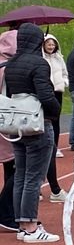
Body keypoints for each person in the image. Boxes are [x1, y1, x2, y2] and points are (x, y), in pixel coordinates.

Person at [5, 23, 62, 243]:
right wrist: (54, 113)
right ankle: (31, 227)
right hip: (38, 123)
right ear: (38, 41)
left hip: (17, 125)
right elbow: (46, 96)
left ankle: (22, 225)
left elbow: (10, 93)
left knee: (20, 175)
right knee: (33, 178)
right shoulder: (39, 63)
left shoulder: (12, 63)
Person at [41, 33, 67, 202]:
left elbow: (65, 73)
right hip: (45, 95)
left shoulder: (59, 58)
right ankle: (53, 189)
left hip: (57, 93)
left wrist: (64, 83)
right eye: (48, 44)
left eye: (53, 44)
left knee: (55, 126)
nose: (51, 46)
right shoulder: (40, 60)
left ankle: (55, 145)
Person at [0, 29, 18, 231]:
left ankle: (10, 211)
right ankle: (5, 210)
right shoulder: (12, 67)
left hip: (2, 120)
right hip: (14, 120)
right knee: (21, 168)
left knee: (10, 167)